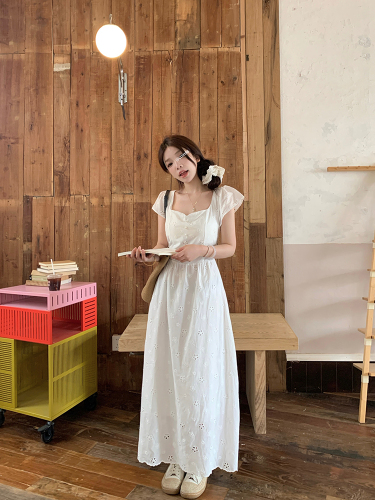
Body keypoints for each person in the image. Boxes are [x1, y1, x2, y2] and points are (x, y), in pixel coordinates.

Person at [127, 135, 244, 499]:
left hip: (204, 290)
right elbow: (164, 248)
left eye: (181, 155)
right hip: (170, 292)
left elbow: (229, 247)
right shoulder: (165, 200)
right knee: (172, 369)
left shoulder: (223, 196)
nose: (178, 164)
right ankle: (177, 454)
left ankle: (198, 459)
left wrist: (202, 250)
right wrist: (147, 256)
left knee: (201, 369)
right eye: (169, 163)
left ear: (194, 154)